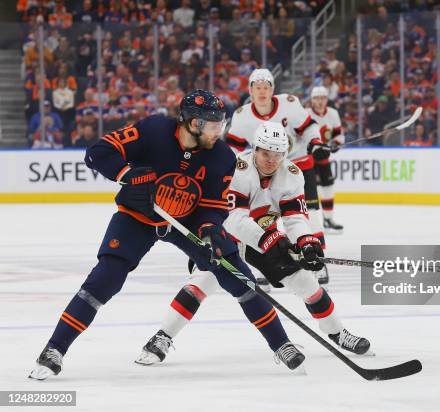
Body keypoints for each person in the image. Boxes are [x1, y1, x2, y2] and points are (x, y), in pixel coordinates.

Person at [29, 90, 304, 380]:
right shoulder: (153, 130)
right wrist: (127, 174)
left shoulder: (222, 157)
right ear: (193, 124)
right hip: (138, 217)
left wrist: (209, 231)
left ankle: (281, 344)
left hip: (187, 222)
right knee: (105, 278)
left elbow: (212, 206)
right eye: (213, 126)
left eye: (221, 124)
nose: (218, 131)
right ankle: (54, 349)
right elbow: (97, 153)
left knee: (237, 274)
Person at [136, 122, 370, 366]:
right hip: (226, 238)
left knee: (305, 281)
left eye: (278, 154)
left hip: (263, 239)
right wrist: (270, 239)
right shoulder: (236, 169)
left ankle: (337, 332)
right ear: (255, 149)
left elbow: (294, 217)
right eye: (266, 153)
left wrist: (306, 242)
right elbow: (233, 218)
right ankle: (163, 336)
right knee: (200, 284)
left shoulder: (291, 174)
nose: (272, 160)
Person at [225, 68, 330, 284]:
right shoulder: (242, 116)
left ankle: (317, 260)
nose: (262, 92)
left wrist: (316, 143)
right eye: (258, 88)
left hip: (297, 168)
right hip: (259, 173)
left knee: (309, 215)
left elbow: (308, 126)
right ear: (250, 91)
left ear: (273, 89)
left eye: (266, 87)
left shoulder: (289, 104)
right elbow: (231, 151)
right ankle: (266, 262)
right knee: (260, 218)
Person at [307, 86, 345, 233]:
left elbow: (338, 135)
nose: (320, 101)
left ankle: (328, 219)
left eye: (322, 98)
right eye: (316, 98)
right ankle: (310, 222)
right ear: (312, 100)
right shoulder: (307, 114)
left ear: (327, 99)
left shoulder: (333, 114)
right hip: (309, 160)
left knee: (328, 187)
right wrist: (313, 148)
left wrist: (336, 143)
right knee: (310, 192)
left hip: (324, 159)